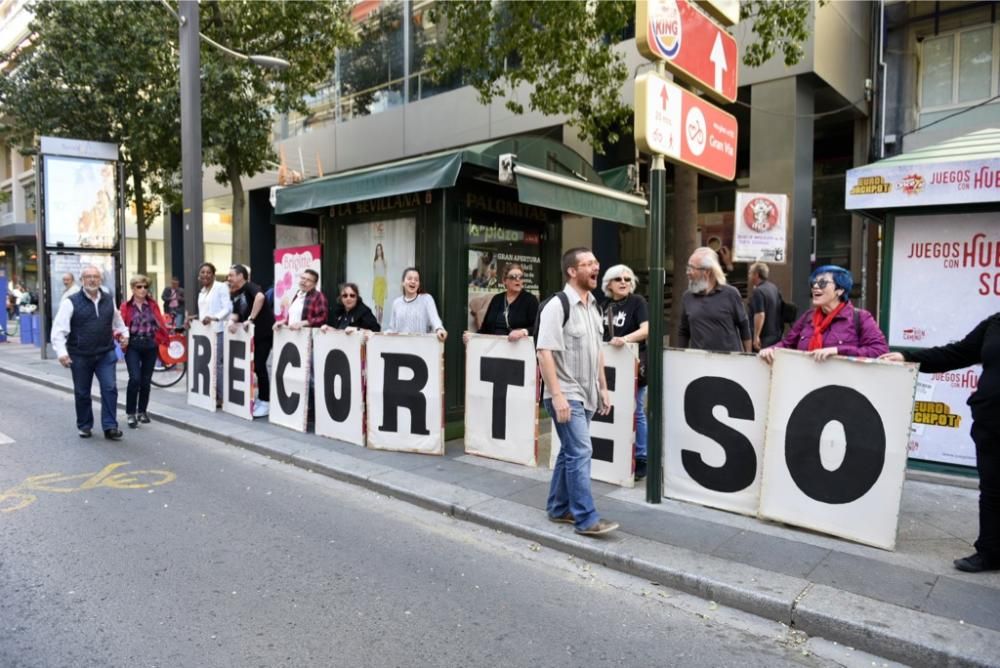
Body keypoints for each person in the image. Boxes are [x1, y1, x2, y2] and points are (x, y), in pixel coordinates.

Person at [880, 313, 1000, 573]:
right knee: (992, 489)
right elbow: (957, 353)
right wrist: (908, 356)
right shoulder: (995, 323)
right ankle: (990, 552)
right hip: (991, 422)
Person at [537, 247, 618, 537]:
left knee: (569, 452)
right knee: (581, 450)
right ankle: (586, 518)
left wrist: (604, 388)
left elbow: (597, 352)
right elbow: (544, 352)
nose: (596, 267)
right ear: (572, 271)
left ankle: (559, 508)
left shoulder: (594, 306)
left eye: (596, 261)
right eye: (588, 264)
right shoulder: (557, 306)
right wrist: (557, 395)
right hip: (566, 392)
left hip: (588, 394)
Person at [51, 264, 129, 440]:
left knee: (110, 388)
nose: (92, 280)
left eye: (95, 276)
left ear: (100, 280)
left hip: (105, 353)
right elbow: (58, 330)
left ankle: (110, 426)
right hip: (80, 355)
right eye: (88, 277)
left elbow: (118, 321)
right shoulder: (70, 302)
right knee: (82, 392)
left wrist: (125, 334)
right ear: (82, 280)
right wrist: (62, 352)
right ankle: (85, 425)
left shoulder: (109, 299)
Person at [759, 265, 888, 364]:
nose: (815, 286)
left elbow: (879, 351)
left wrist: (838, 351)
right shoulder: (808, 317)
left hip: (843, 389)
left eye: (822, 283)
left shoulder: (860, 318)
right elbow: (787, 344)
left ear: (840, 290)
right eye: (813, 283)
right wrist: (771, 349)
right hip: (806, 387)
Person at [600, 264, 650, 481]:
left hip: (634, 364)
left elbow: (647, 329)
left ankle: (642, 457)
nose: (623, 282)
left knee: (636, 409)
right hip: (609, 367)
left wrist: (625, 339)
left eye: (628, 279)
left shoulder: (637, 302)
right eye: (618, 279)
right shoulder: (602, 305)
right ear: (608, 284)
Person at [678, 247, 751, 352]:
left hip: (729, 362)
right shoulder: (687, 297)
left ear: (707, 272)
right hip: (700, 362)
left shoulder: (731, 293)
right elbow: (684, 331)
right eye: (688, 268)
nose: (687, 272)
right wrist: (681, 356)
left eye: (692, 268)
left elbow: (744, 326)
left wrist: (748, 357)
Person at [120, 274, 170, 428]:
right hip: (133, 344)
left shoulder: (152, 305)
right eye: (139, 287)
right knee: (135, 378)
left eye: (145, 287)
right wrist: (120, 337)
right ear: (133, 288)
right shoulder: (126, 306)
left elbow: (160, 323)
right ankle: (130, 413)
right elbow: (119, 325)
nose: (142, 290)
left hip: (150, 344)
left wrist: (163, 337)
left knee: (146, 380)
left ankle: (142, 411)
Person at [227, 264, 275, 418]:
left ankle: (265, 401)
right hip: (252, 336)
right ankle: (261, 398)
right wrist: (231, 322)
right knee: (255, 367)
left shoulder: (250, 286)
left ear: (241, 276)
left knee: (260, 366)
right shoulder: (236, 292)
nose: (229, 278)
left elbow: (260, 297)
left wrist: (250, 319)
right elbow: (236, 313)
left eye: (231, 275)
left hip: (264, 333)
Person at [462, 263, 538, 344]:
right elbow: (485, 328)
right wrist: (473, 337)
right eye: (513, 277)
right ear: (504, 281)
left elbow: (537, 327)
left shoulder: (530, 300)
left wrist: (523, 332)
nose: (518, 279)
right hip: (494, 349)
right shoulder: (497, 299)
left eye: (521, 277)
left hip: (518, 350)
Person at [190, 262, 232, 405]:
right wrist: (195, 318)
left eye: (208, 272)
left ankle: (223, 397)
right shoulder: (202, 292)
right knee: (207, 363)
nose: (205, 275)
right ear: (199, 276)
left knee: (216, 364)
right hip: (205, 333)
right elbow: (205, 312)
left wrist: (214, 318)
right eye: (203, 272)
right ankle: (212, 394)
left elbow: (227, 308)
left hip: (218, 330)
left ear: (214, 275)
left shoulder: (221, 287)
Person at [382, 267, 447, 341]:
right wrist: (374, 336)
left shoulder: (426, 299)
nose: (413, 281)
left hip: (421, 348)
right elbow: (392, 329)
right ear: (403, 282)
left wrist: (439, 329)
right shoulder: (396, 303)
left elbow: (434, 319)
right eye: (409, 278)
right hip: (400, 347)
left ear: (419, 284)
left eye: (416, 280)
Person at [748, 262, 784, 351]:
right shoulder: (773, 287)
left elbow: (760, 314)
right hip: (775, 335)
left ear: (756, 275)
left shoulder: (758, 291)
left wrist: (756, 336)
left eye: (750, 273)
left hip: (764, 339)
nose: (749, 276)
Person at [372, 243, 387, 323]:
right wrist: (373, 291)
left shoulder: (384, 262)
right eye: (377, 249)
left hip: (382, 284)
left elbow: (385, 275)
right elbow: (374, 276)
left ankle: (380, 324)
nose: (379, 251)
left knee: (381, 308)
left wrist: (386, 290)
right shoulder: (374, 262)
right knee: (377, 307)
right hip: (376, 284)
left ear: (382, 250)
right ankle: (377, 324)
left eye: (380, 249)